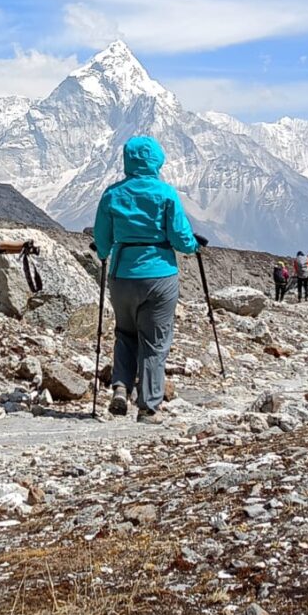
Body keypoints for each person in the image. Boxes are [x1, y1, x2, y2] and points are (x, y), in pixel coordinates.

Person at [93, 136, 199, 424]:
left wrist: (105, 251)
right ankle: (148, 406)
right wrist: (193, 246)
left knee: (125, 333)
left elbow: (102, 240)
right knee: (154, 341)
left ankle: (120, 386)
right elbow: (180, 237)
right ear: (156, 161)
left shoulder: (112, 194)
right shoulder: (166, 194)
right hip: (159, 276)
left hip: (122, 275)